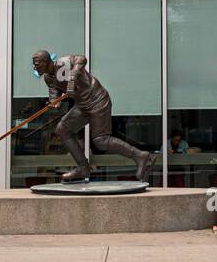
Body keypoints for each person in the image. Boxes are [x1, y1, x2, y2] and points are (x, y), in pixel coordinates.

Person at [32, 50, 157, 183]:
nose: (35, 67)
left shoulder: (64, 62)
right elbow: (54, 94)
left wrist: (75, 72)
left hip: (97, 100)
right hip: (82, 105)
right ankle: (83, 168)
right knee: (62, 130)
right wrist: (53, 103)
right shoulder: (48, 78)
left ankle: (140, 156)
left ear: (47, 62)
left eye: (37, 64)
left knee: (101, 141)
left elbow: (81, 59)